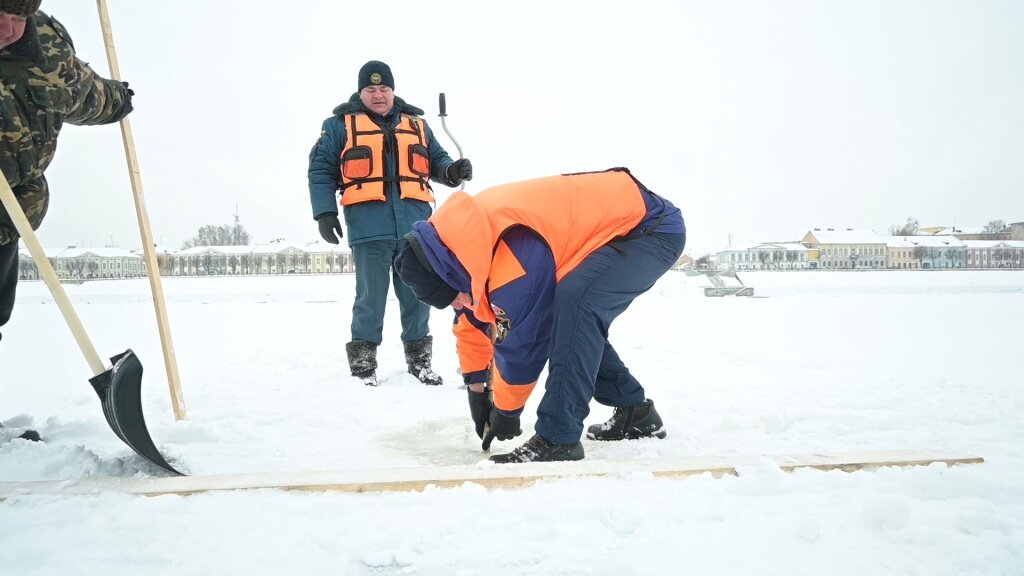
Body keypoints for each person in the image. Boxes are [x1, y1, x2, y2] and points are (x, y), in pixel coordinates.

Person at [394, 167, 686, 463]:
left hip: (650, 228)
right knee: (568, 311)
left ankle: (558, 438)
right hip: (628, 224)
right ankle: (635, 412)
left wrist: (507, 412)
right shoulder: (466, 243)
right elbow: (474, 317)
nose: (459, 304)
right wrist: (477, 390)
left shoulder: (512, 252)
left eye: (453, 297)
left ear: (449, 275)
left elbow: (523, 342)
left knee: (576, 302)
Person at [0, 0, 133, 442]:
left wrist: (117, 99)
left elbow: (79, 92)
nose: (7, 28)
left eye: (18, 18)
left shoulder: (47, 46)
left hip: (9, 214)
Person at [308, 60, 472, 387]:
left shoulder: (418, 125)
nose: (378, 95)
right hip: (369, 228)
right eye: (371, 89)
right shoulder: (338, 125)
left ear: (393, 90)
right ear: (360, 92)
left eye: (384, 88)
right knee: (371, 296)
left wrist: (452, 172)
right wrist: (324, 213)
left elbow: (437, 161)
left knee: (419, 295)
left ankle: (419, 361)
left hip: (416, 228)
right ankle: (363, 364)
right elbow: (321, 170)